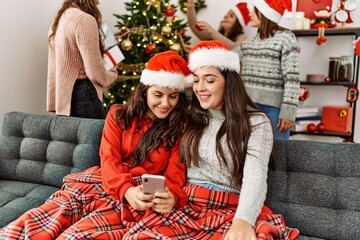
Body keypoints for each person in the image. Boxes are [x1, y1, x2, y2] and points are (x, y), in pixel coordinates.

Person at [118, 41, 299, 240]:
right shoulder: (191, 117)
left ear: (229, 81)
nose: (200, 88)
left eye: (210, 80)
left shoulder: (256, 123)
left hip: (229, 206)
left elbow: (255, 176)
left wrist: (244, 221)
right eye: (196, 80)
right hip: (186, 203)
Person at [0, 51, 192, 239]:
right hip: (107, 182)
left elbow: (176, 173)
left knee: (76, 235)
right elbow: (108, 159)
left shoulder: (180, 126)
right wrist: (126, 190)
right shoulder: (118, 115)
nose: (166, 103)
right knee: (37, 224)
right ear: (144, 91)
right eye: (158, 94)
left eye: (173, 96)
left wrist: (172, 196)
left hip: (145, 195)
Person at [234, 0, 300, 140]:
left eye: (254, 10)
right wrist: (206, 53)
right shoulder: (248, 43)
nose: (250, 13)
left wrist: (288, 112)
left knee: (278, 153)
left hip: (274, 109)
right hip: (249, 107)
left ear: (265, 13)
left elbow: (292, 78)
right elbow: (228, 60)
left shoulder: (286, 38)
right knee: (250, 152)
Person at [47, 0, 118, 119]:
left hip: (66, 98)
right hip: (85, 96)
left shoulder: (60, 18)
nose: (98, 2)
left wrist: (55, 101)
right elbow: (95, 73)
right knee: (94, 137)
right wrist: (113, 74)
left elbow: (53, 67)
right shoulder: (84, 20)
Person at [186, 0, 250, 49]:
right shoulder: (217, 35)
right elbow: (194, 27)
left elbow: (235, 48)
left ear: (238, 23)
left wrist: (211, 30)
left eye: (231, 16)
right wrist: (190, 5)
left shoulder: (243, 38)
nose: (226, 16)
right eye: (227, 13)